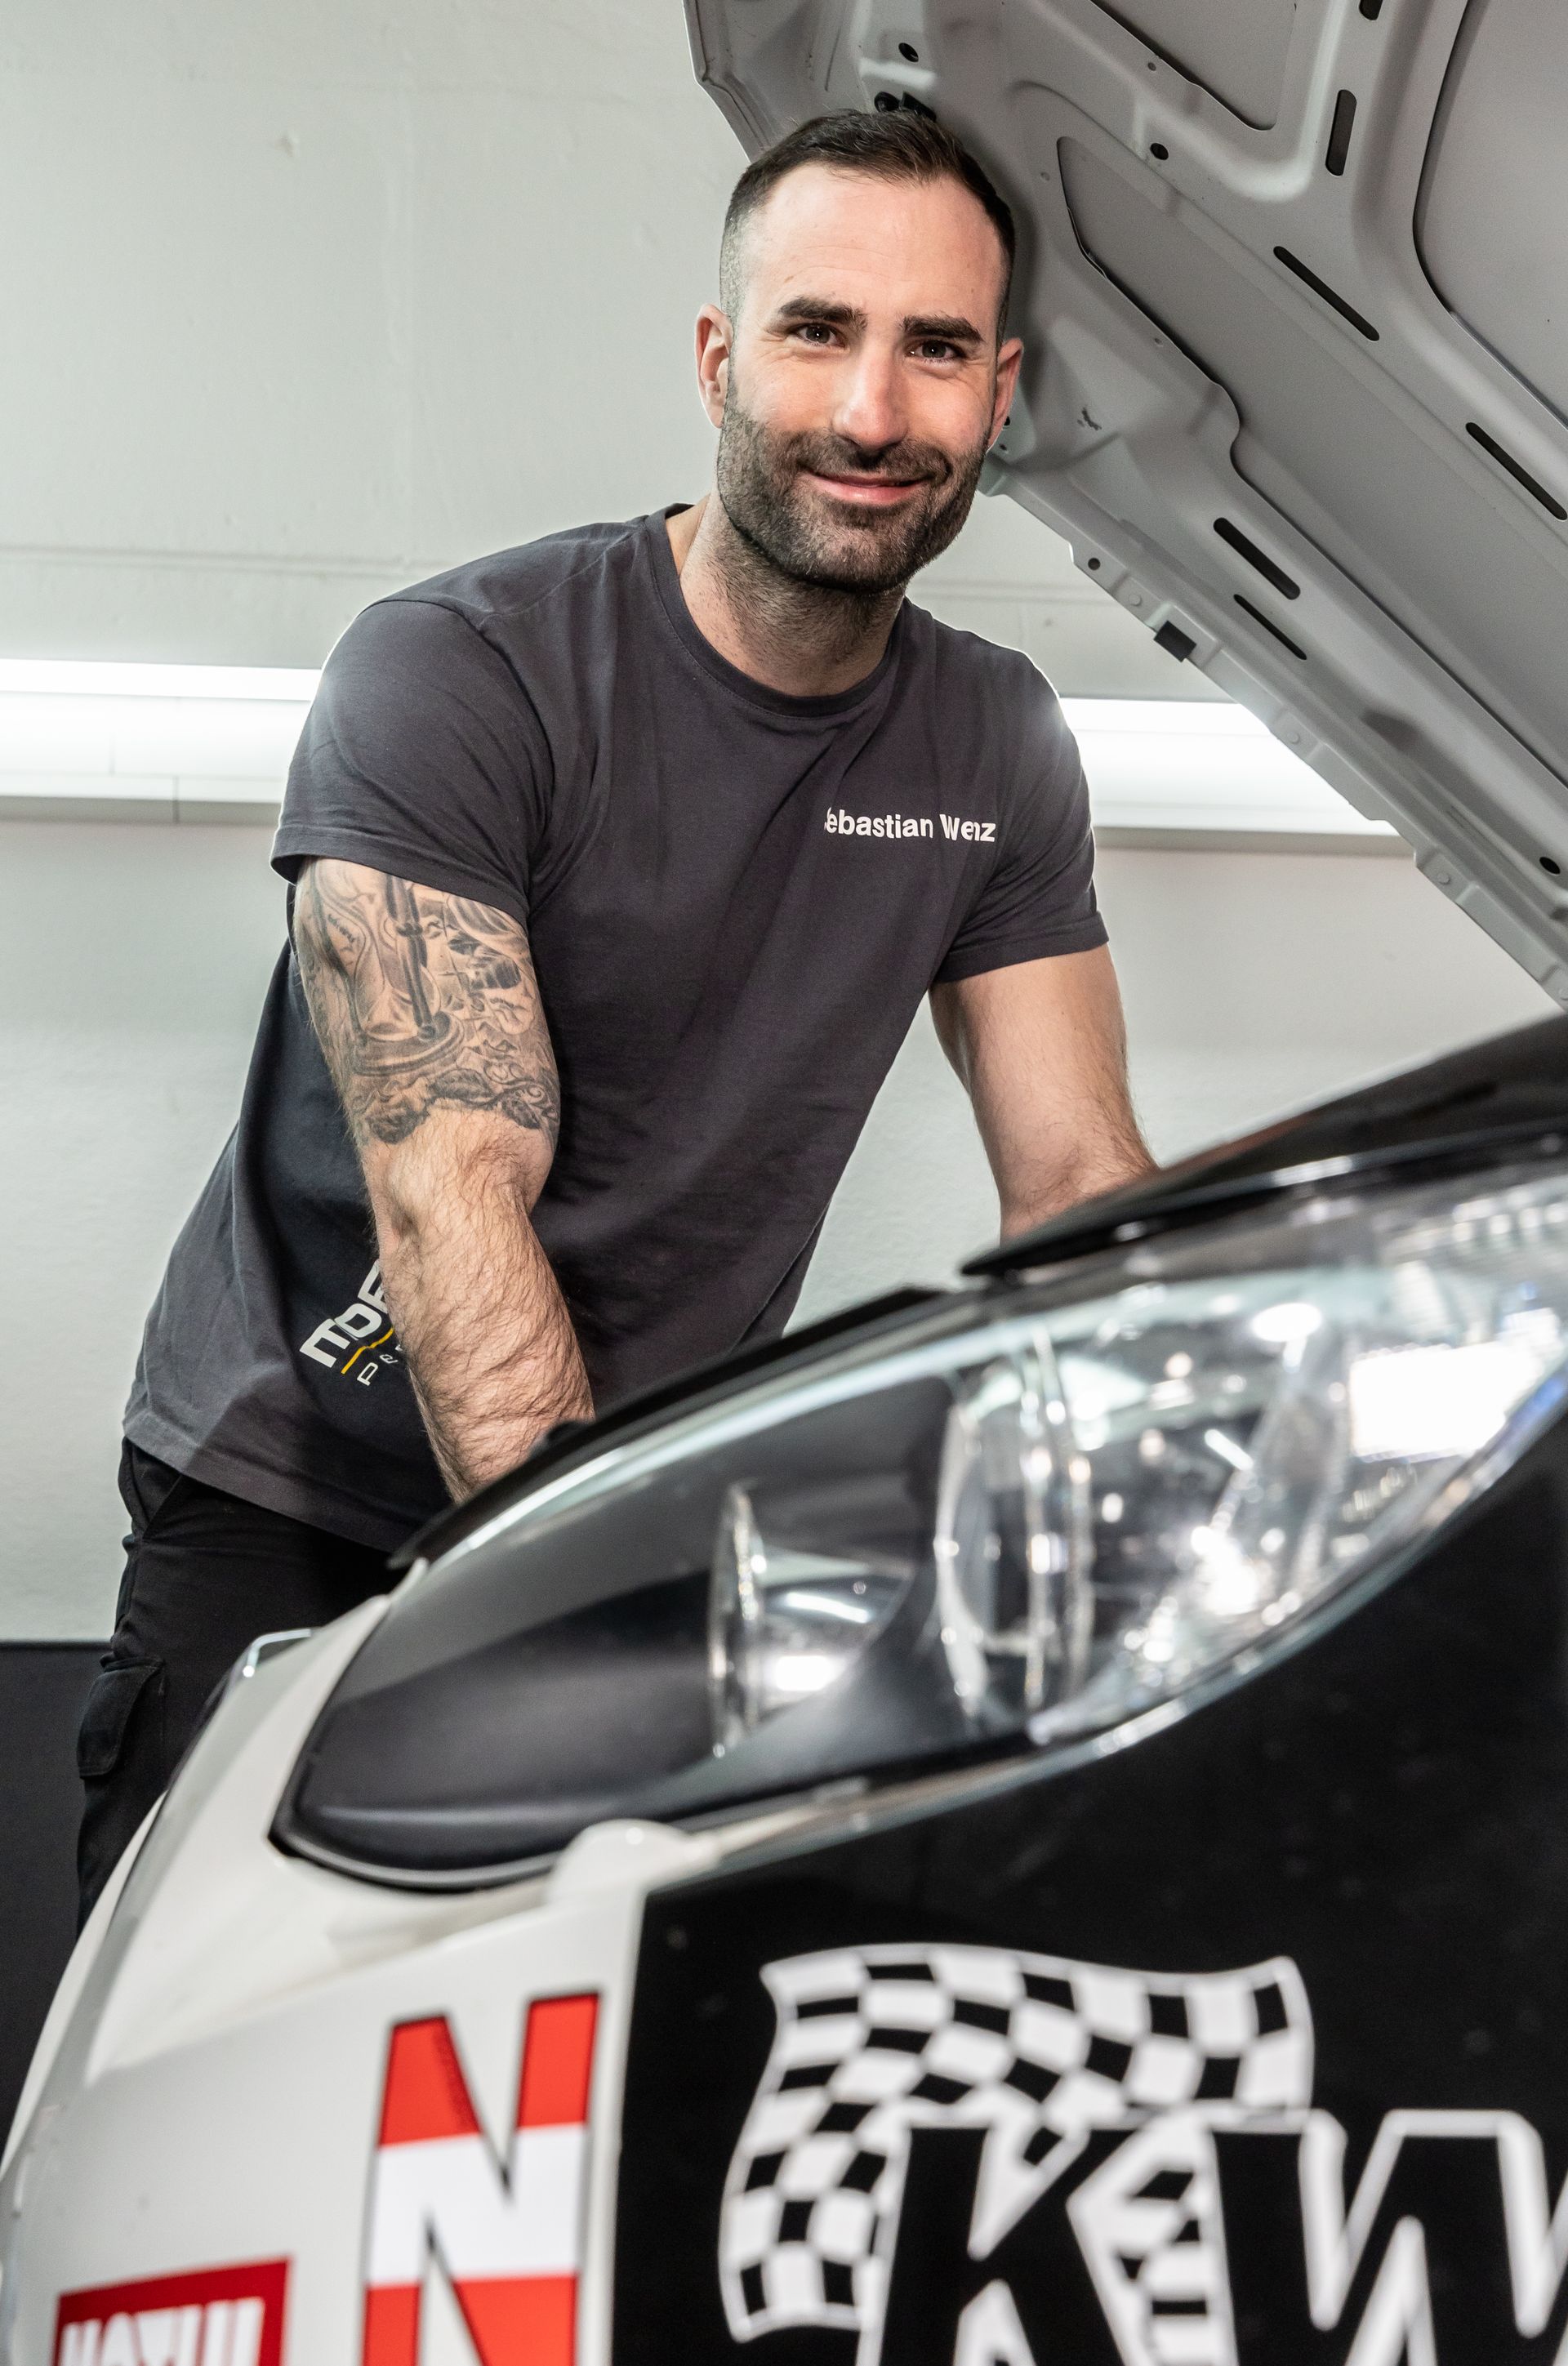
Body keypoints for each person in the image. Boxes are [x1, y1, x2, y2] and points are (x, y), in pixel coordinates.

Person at [78, 105, 1156, 1914]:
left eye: (934, 348)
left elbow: (1077, 1182)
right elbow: (456, 1192)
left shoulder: (996, 741)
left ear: (1000, 390)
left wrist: (1165, 1525)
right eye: (818, 331)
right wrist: (593, 1629)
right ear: (720, 359)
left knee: (616, 2030)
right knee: (223, 2004)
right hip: (302, 1488)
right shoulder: (461, 673)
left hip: (654, 1504)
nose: (872, 412)